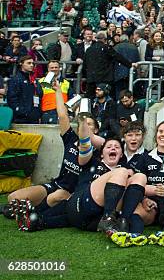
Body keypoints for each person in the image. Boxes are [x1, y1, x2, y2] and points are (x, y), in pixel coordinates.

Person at [3, 79, 104, 219]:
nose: (85, 126)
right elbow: (62, 116)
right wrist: (57, 91)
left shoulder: (100, 148)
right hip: (56, 184)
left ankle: (34, 212)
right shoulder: (71, 139)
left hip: (75, 193)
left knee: (57, 196)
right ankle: (32, 208)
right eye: (83, 122)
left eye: (89, 124)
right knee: (14, 197)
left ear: (97, 129)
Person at [110, 121, 164, 247]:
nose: (163, 135)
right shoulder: (145, 157)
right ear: (156, 135)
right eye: (160, 131)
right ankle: (135, 236)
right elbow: (135, 185)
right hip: (152, 205)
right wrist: (145, 198)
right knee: (134, 210)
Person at [83, 32, 136, 99]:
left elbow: (84, 65)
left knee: (89, 99)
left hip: (91, 79)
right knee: (107, 98)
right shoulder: (106, 48)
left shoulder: (89, 49)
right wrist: (130, 64)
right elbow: (118, 57)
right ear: (105, 39)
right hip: (105, 78)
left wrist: (86, 76)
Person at [7, 55, 40, 124]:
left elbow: (40, 95)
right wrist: (23, 112)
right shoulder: (15, 79)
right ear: (21, 64)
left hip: (34, 118)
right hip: (20, 119)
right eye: (29, 63)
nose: (31, 65)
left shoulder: (34, 80)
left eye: (32, 63)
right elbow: (12, 99)